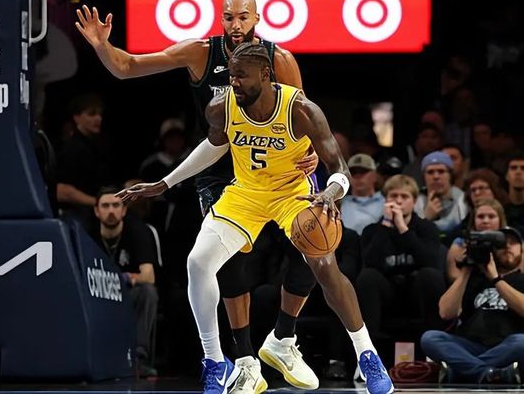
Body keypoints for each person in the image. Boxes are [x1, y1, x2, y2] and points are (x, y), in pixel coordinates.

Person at [76, 0, 319, 391]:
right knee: (228, 260)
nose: (235, 25)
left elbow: (305, 116)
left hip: (275, 166)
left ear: (257, 18)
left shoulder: (279, 59)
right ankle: (243, 360)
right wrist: (103, 46)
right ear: (220, 19)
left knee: (312, 243)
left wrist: (312, 152)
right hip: (220, 164)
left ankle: (284, 338)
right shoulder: (200, 53)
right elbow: (127, 67)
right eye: (228, 17)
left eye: (243, 17)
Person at [117, 43, 394, 394]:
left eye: (241, 76)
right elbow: (214, 145)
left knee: (324, 264)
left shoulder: (300, 109)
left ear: (265, 75)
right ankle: (215, 361)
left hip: (292, 193)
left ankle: (367, 355)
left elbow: (340, 168)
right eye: (231, 75)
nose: (233, 82)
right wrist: (166, 182)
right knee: (198, 263)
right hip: (246, 193)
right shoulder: (221, 105)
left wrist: (330, 192)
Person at [421, 226, 524, 384]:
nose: (507, 246)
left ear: (522, 250)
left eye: (513, 243)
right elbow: (445, 313)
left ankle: (462, 371)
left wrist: (495, 279)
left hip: (507, 346)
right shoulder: (475, 279)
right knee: (430, 338)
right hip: (470, 346)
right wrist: (466, 271)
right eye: (502, 242)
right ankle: (490, 374)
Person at [357, 174, 445, 339]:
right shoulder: (372, 231)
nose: (398, 201)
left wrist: (403, 229)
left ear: (414, 201)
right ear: (385, 200)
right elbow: (370, 263)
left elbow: (429, 261)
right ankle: (368, 347)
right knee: (367, 277)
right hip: (387, 293)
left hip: (416, 291)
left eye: (404, 196)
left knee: (430, 276)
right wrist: (386, 226)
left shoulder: (427, 228)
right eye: (393, 196)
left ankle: (435, 342)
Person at [90, 186, 160, 377]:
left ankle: (139, 358)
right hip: (96, 293)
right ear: (96, 211)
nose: (111, 211)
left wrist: (126, 278)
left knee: (148, 292)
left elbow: (149, 276)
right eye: (105, 206)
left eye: (116, 205)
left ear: (124, 210)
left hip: (128, 292)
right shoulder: (87, 234)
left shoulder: (138, 232)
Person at [56, 93, 112, 225]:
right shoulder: (72, 149)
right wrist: (99, 203)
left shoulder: (97, 145)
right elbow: (63, 191)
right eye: (91, 114)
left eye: (100, 114)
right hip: (79, 215)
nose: (98, 118)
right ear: (76, 118)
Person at [414, 151, 468, 236]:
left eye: (441, 171)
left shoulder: (463, 199)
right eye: (430, 172)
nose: (436, 176)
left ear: (450, 175)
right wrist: (426, 217)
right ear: (424, 176)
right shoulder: (415, 201)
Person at [340, 154, 384, 235]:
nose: (358, 176)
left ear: (375, 175)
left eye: (363, 172)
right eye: (353, 172)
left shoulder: (386, 202)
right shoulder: (339, 203)